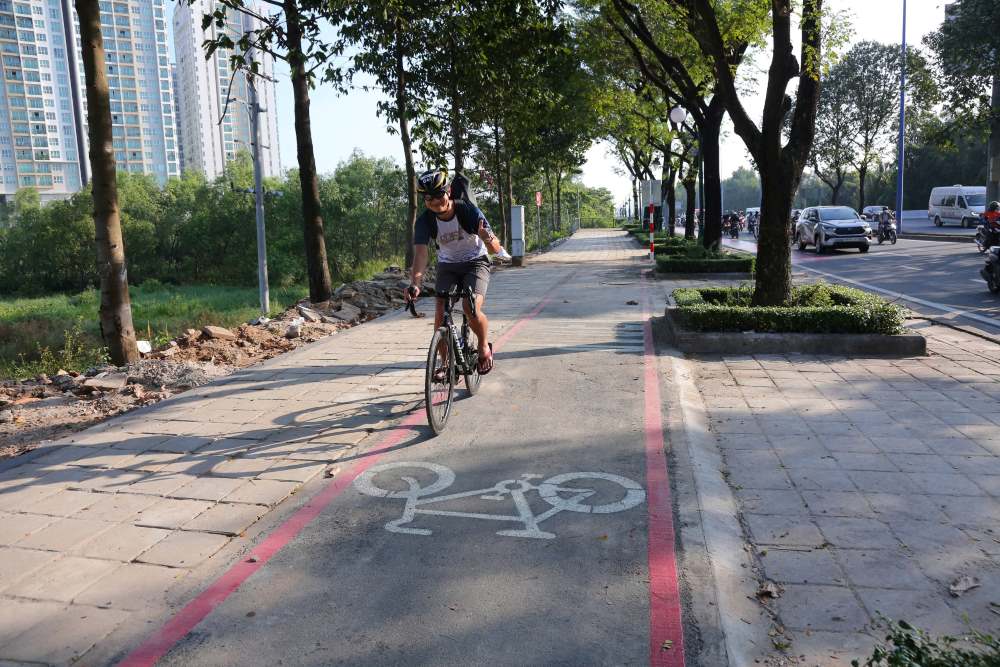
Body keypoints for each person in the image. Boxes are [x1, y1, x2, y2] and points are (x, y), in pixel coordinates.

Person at [406, 169, 502, 375]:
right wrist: (415, 283)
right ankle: (446, 364)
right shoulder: (424, 221)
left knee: (470, 306)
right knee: (440, 313)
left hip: (476, 261)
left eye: (439, 195)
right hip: (448, 264)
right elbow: (421, 254)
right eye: (428, 197)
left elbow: (495, 248)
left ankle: (484, 345)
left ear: (449, 191)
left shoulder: (468, 211)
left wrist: (486, 237)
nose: (434, 201)